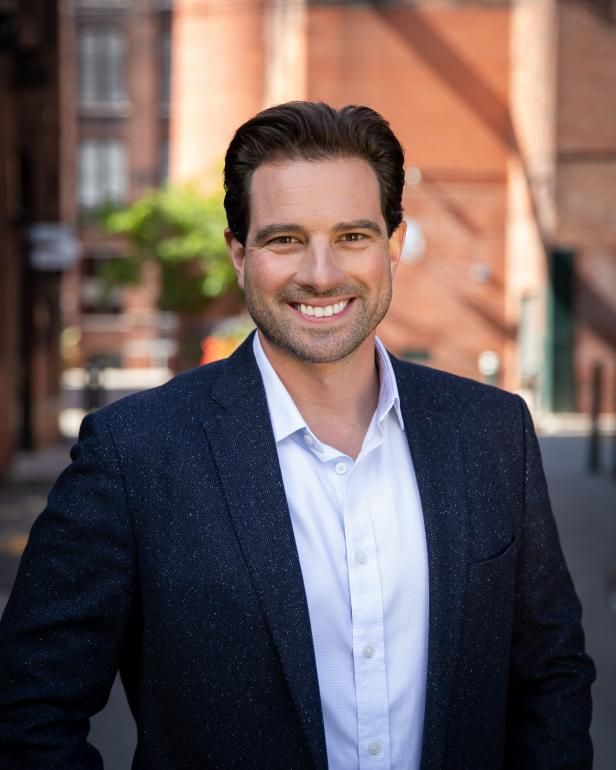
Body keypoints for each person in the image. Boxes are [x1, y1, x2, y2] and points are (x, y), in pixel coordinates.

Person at [0, 102, 594, 770]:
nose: (321, 273)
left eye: (352, 236)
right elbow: (29, 712)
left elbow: (551, 677)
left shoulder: (492, 433)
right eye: (286, 239)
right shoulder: (134, 453)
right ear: (239, 252)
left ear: (393, 244)